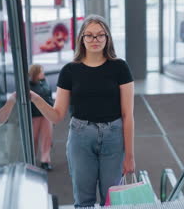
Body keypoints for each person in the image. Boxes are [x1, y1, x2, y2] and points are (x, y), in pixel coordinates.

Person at [30, 14, 135, 208]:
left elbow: (128, 115)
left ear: (107, 38)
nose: (95, 40)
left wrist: (130, 156)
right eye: (89, 35)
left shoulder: (120, 67)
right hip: (80, 137)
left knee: (112, 201)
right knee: (84, 202)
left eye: (100, 35)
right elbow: (57, 115)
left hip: (114, 137)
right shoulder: (69, 71)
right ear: (81, 38)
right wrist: (35, 98)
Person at [29, 64, 54, 171]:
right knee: (33, 138)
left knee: (47, 138)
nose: (42, 73)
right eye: (40, 72)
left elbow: (49, 96)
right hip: (34, 115)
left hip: (46, 114)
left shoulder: (45, 81)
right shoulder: (28, 85)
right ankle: (31, 159)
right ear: (35, 74)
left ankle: (45, 160)